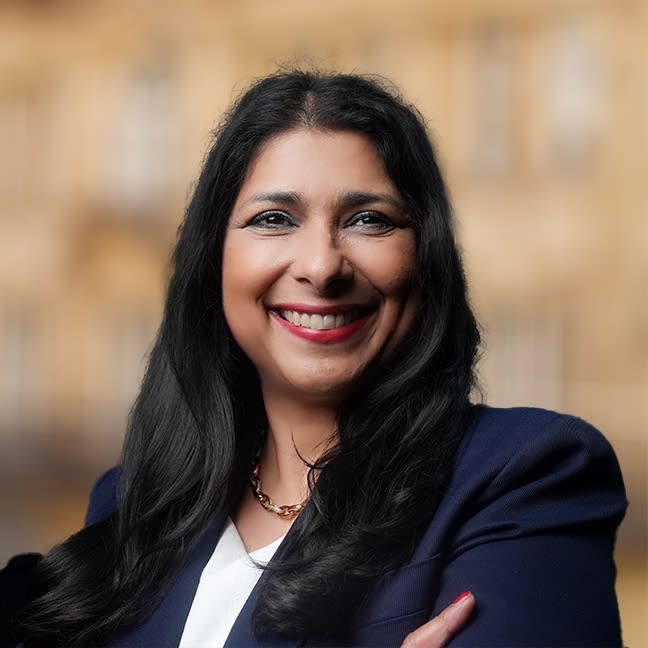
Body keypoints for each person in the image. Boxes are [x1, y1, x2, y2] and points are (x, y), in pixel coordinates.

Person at [4, 70, 626, 647]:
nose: (322, 266)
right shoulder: (132, 504)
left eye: (369, 220)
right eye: (275, 218)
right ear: (214, 259)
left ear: (426, 257)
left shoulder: (524, 476)